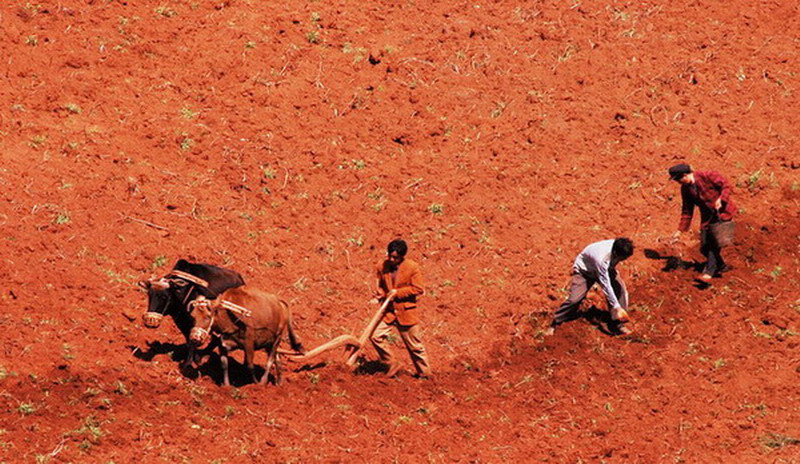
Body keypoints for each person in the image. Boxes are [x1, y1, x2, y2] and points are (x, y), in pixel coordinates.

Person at [546, 238, 635, 336]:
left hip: (605, 270)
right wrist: (616, 306)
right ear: (615, 252)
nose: (623, 260)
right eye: (622, 258)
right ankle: (555, 322)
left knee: (620, 290)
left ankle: (619, 323)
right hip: (585, 271)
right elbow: (606, 285)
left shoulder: (619, 246)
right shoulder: (602, 259)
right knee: (574, 300)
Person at [370, 239, 431, 379]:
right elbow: (381, 285)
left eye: (395, 257)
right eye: (390, 256)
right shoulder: (382, 266)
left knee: (415, 347)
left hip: (406, 311)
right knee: (375, 336)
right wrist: (381, 294)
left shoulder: (412, 267)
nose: (392, 259)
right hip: (389, 312)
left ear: (402, 256)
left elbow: (418, 289)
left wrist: (397, 293)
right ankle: (391, 363)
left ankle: (426, 375)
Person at [668, 163, 737, 283]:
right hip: (708, 218)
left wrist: (721, 199)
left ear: (685, 175)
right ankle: (721, 266)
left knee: (713, 246)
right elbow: (687, 210)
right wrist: (680, 230)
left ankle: (708, 273)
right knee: (704, 248)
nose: (678, 182)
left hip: (722, 214)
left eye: (678, 179)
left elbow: (726, 185)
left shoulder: (707, 175)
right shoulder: (686, 189)